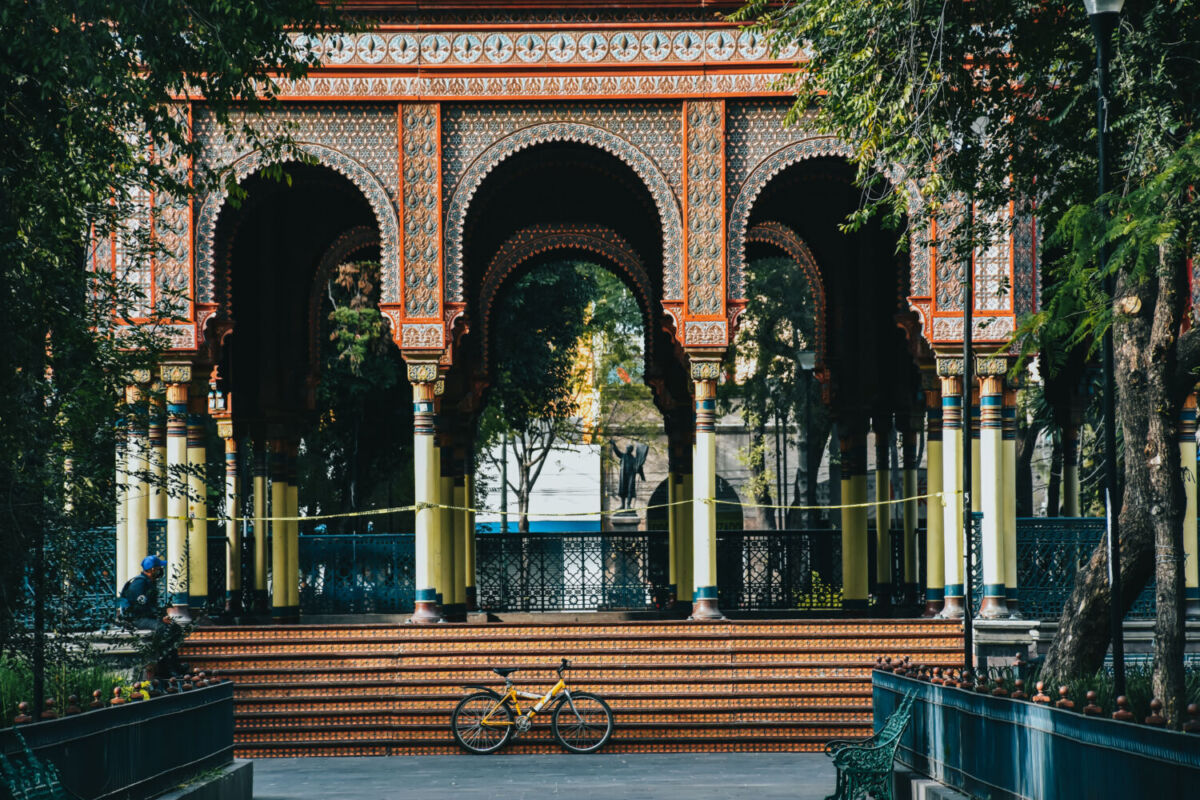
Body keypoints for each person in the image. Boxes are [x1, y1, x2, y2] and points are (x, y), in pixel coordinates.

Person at [117, 555, 186, 677]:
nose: (161, 570)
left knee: (175, 628)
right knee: (164, 629)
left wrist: (162, 616)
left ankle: (174, 665)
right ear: (153, 569)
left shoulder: (148, 582)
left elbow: (150, 605)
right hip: (136, 619)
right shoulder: (139, 583)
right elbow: (141, 607)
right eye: (159, 568)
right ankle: (168, 669)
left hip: (145, 616)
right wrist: (159, 618)